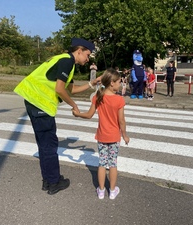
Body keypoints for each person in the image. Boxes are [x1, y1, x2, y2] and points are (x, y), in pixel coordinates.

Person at [14, 38, 101, 195]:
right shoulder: (67, 61)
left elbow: (72, 89)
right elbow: (61, 90)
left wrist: (92, 83)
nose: (88, 59)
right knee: (49, 145)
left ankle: (48, 180)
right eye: (87, 55)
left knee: (44, 144)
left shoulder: (64, 60)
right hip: (40, 104)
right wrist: (74, 106)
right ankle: (54, 182)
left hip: (33, 102)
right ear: (79, 51)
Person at [72, 68, 130, 200]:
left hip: (102, 136)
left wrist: (78, 114)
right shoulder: (119, 100)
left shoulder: (98, 97)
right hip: (114, 137)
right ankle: (113, 191)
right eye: (119, 82)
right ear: (112, 83)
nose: (120, 84)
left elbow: (89, 115)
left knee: (102, 163)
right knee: (113, 164)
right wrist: (125, 135)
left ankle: (101, 191)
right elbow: (121, 121)